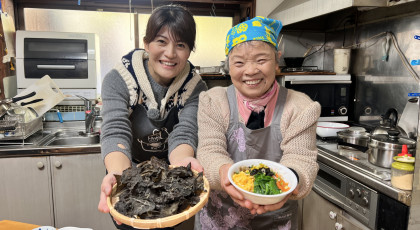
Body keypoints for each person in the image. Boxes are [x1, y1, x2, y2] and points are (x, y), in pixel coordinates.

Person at [196, 16, 321, 229]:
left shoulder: (301, 107)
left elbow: (302, 159)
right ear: (228, 65)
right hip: (220, 220)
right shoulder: (213, 101)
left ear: (277, 60)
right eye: (239, 63)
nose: (251, 70)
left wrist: (288, 184)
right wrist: (225, 174)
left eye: (261, 60)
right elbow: (209, 150)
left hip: (275, 220)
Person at [97, 4, 208, 230]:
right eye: (161, 41)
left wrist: (181, 167)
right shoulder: (119, 79)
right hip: (130, 170)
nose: (170, 53)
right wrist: (119, 176)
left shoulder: (195, 87)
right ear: (146, 43)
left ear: (189, 50)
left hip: (170, 177)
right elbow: (116, 129)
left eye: (181, 45)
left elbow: (185, 131)